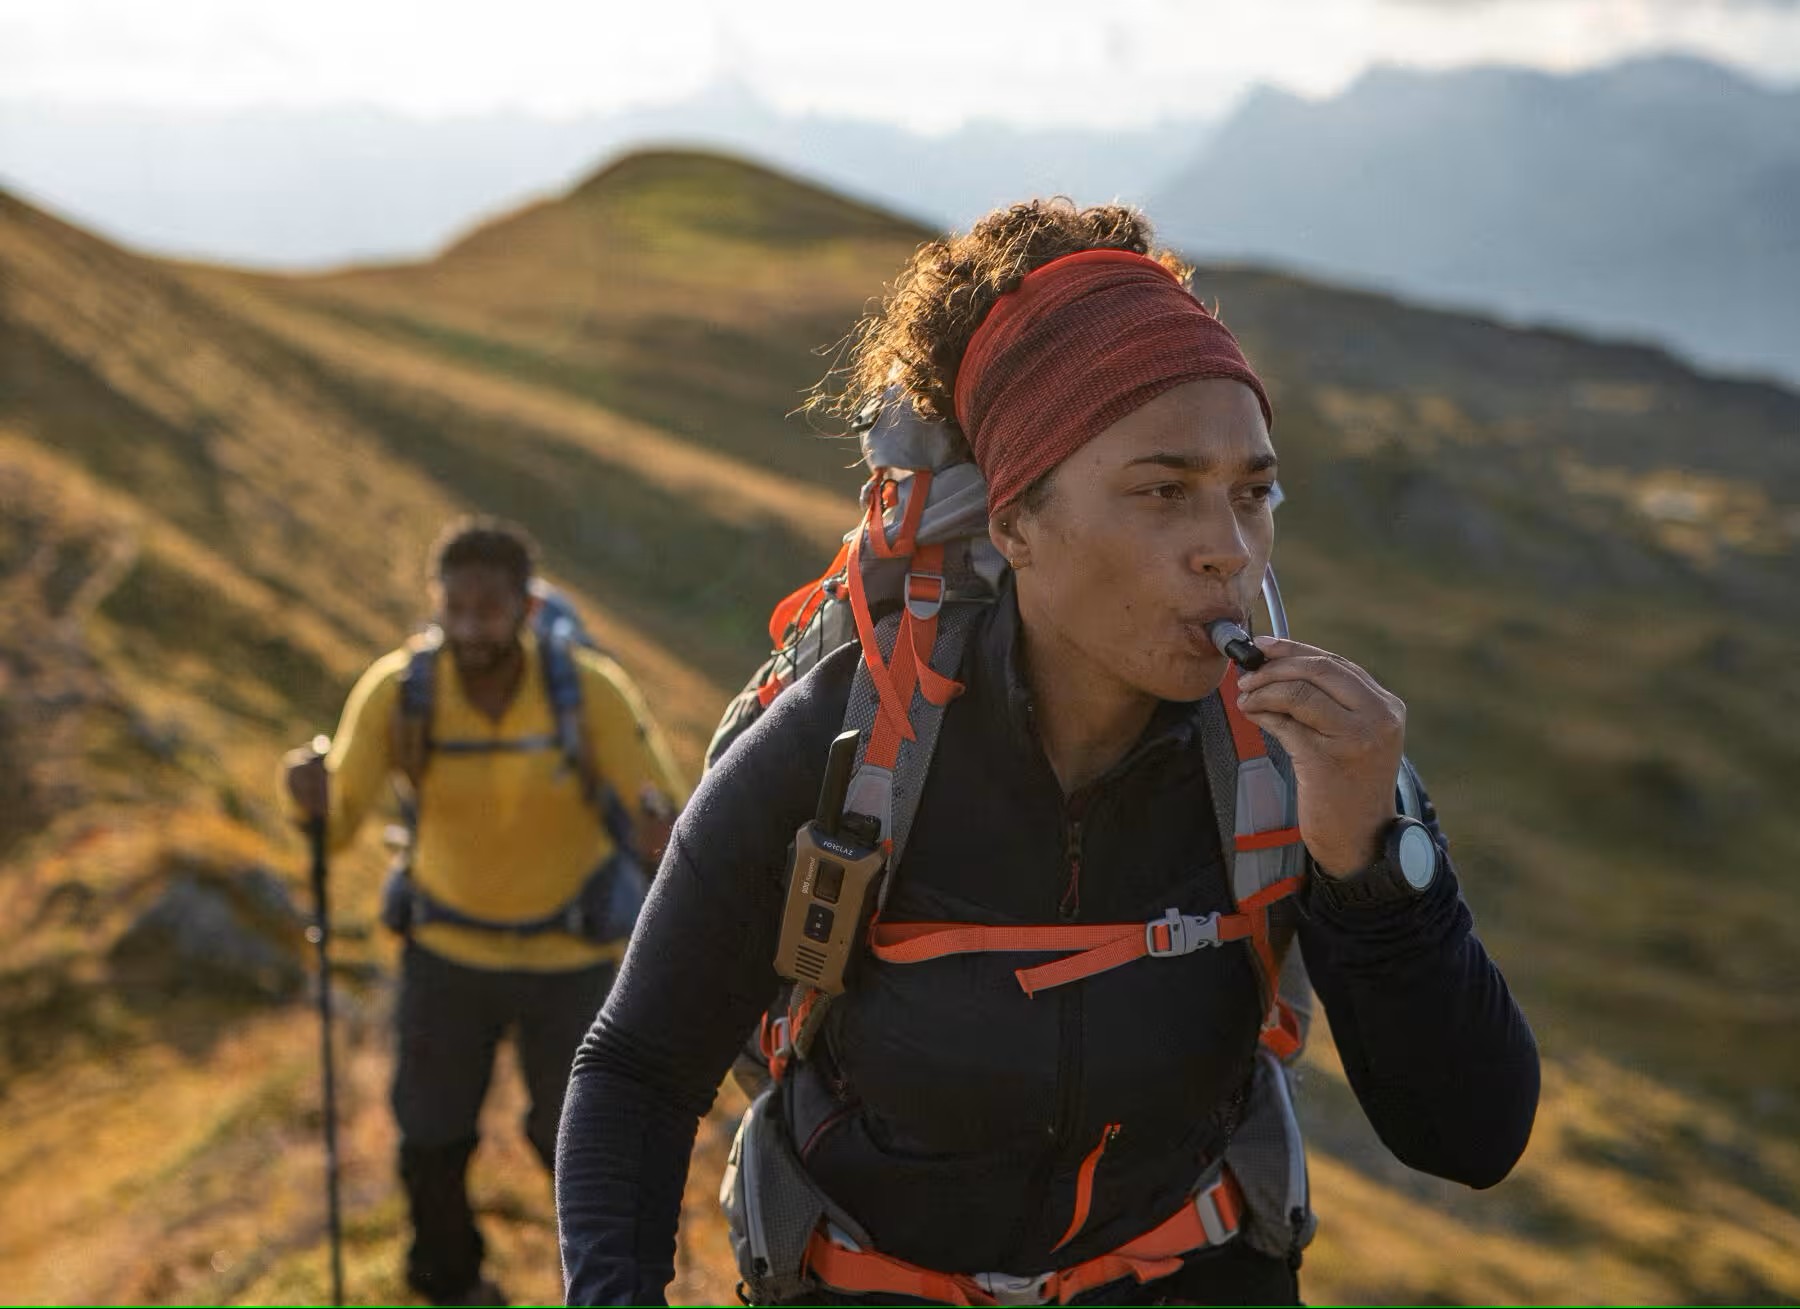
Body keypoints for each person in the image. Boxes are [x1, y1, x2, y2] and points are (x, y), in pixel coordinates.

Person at [555, 202, 1539, 1306]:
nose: (1228, 549)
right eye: (1164, 491)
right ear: (1017, 525)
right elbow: (637, 1075)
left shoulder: (1299, 761)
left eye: (1252, 493)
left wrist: (1373, 870)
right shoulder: (858, 734)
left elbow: (1472, 1137)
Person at [282, 516, 687, 1306]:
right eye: (455, 607)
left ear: (525, 608)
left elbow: (660, 811)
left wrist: (656, 824)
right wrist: (306, 795)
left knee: (579, 1142)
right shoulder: (401, 691)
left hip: (569, 960)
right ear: (437, 604)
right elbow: (338, 826)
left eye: (488, 608)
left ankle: (605, 1288)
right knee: (430, 1137)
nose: (469, 626)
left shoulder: (589, 691)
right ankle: (450, 1279)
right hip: (445, 954)